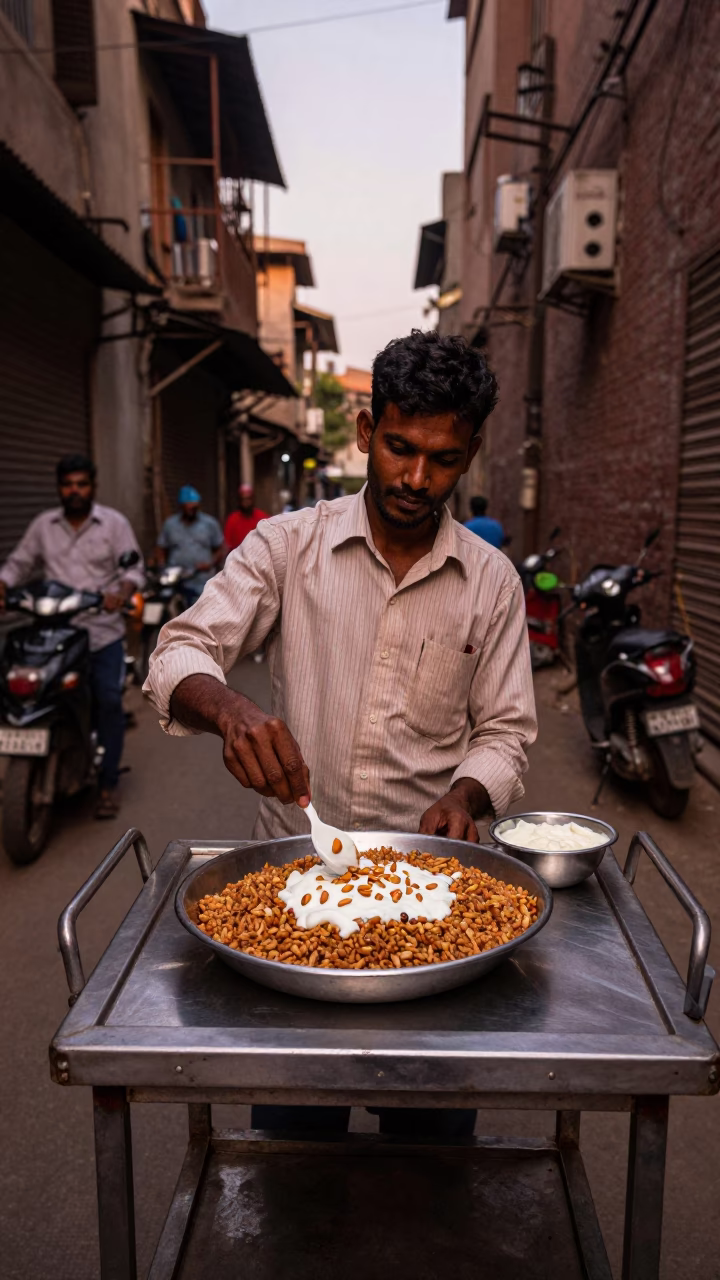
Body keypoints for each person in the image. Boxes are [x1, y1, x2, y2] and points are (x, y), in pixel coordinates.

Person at [145, 329, 536, 1138]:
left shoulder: (491, 583)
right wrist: (230, 709)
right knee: (292, 1152)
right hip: (295, 891)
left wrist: (467, 791)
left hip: (429, 906)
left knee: (429, 1160)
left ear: (469, 456)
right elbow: (180, 650)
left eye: (443, 459)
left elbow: (504, 732)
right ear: (366, 431)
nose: (416, 478)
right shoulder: (288, 545)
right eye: (399, 448)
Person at [0, 454, 144, 819]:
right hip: (53, 634)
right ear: (59, 487)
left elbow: (133, 570)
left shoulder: (113, 524)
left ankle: (108, 784)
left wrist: (123, 591)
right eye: (68, 484)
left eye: (81, 484)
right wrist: (3, 585)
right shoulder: (42, 526)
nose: (74, 491)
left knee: (109, 701)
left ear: (92, 486)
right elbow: (18, 564)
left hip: (100, 634)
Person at [155, 486, 225, 607]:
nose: (193, 510)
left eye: (195, 507)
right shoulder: (170, 525)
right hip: (176, 578)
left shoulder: (209, 524)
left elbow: (221, 548)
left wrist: (211, 563)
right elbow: (161, 547)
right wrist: (161, 566)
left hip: (201, 580)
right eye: (189, 507)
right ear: (182, 506)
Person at [223, 484, 269, 552]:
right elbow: (227, 544)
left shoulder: (263, 517)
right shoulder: (232, 519)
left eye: (248, 499)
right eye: (243, 499)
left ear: (253, 499)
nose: (246, 502)